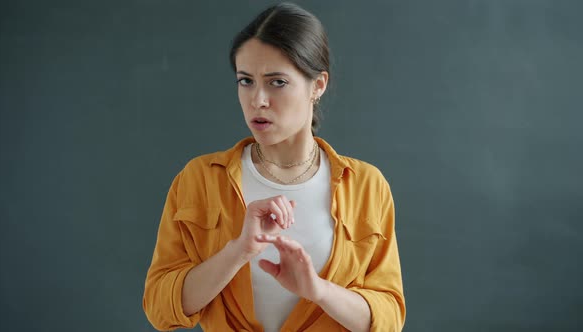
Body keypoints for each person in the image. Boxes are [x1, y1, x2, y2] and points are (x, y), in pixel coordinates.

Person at [143, 3, 405, 331]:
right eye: (246, 81)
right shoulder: (199, 179)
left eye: (277, 82)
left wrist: (317, 290)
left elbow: (390, 319)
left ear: (317, 85)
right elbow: (159, 308)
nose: (258, 100)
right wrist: (238, 251)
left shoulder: (366, 185)